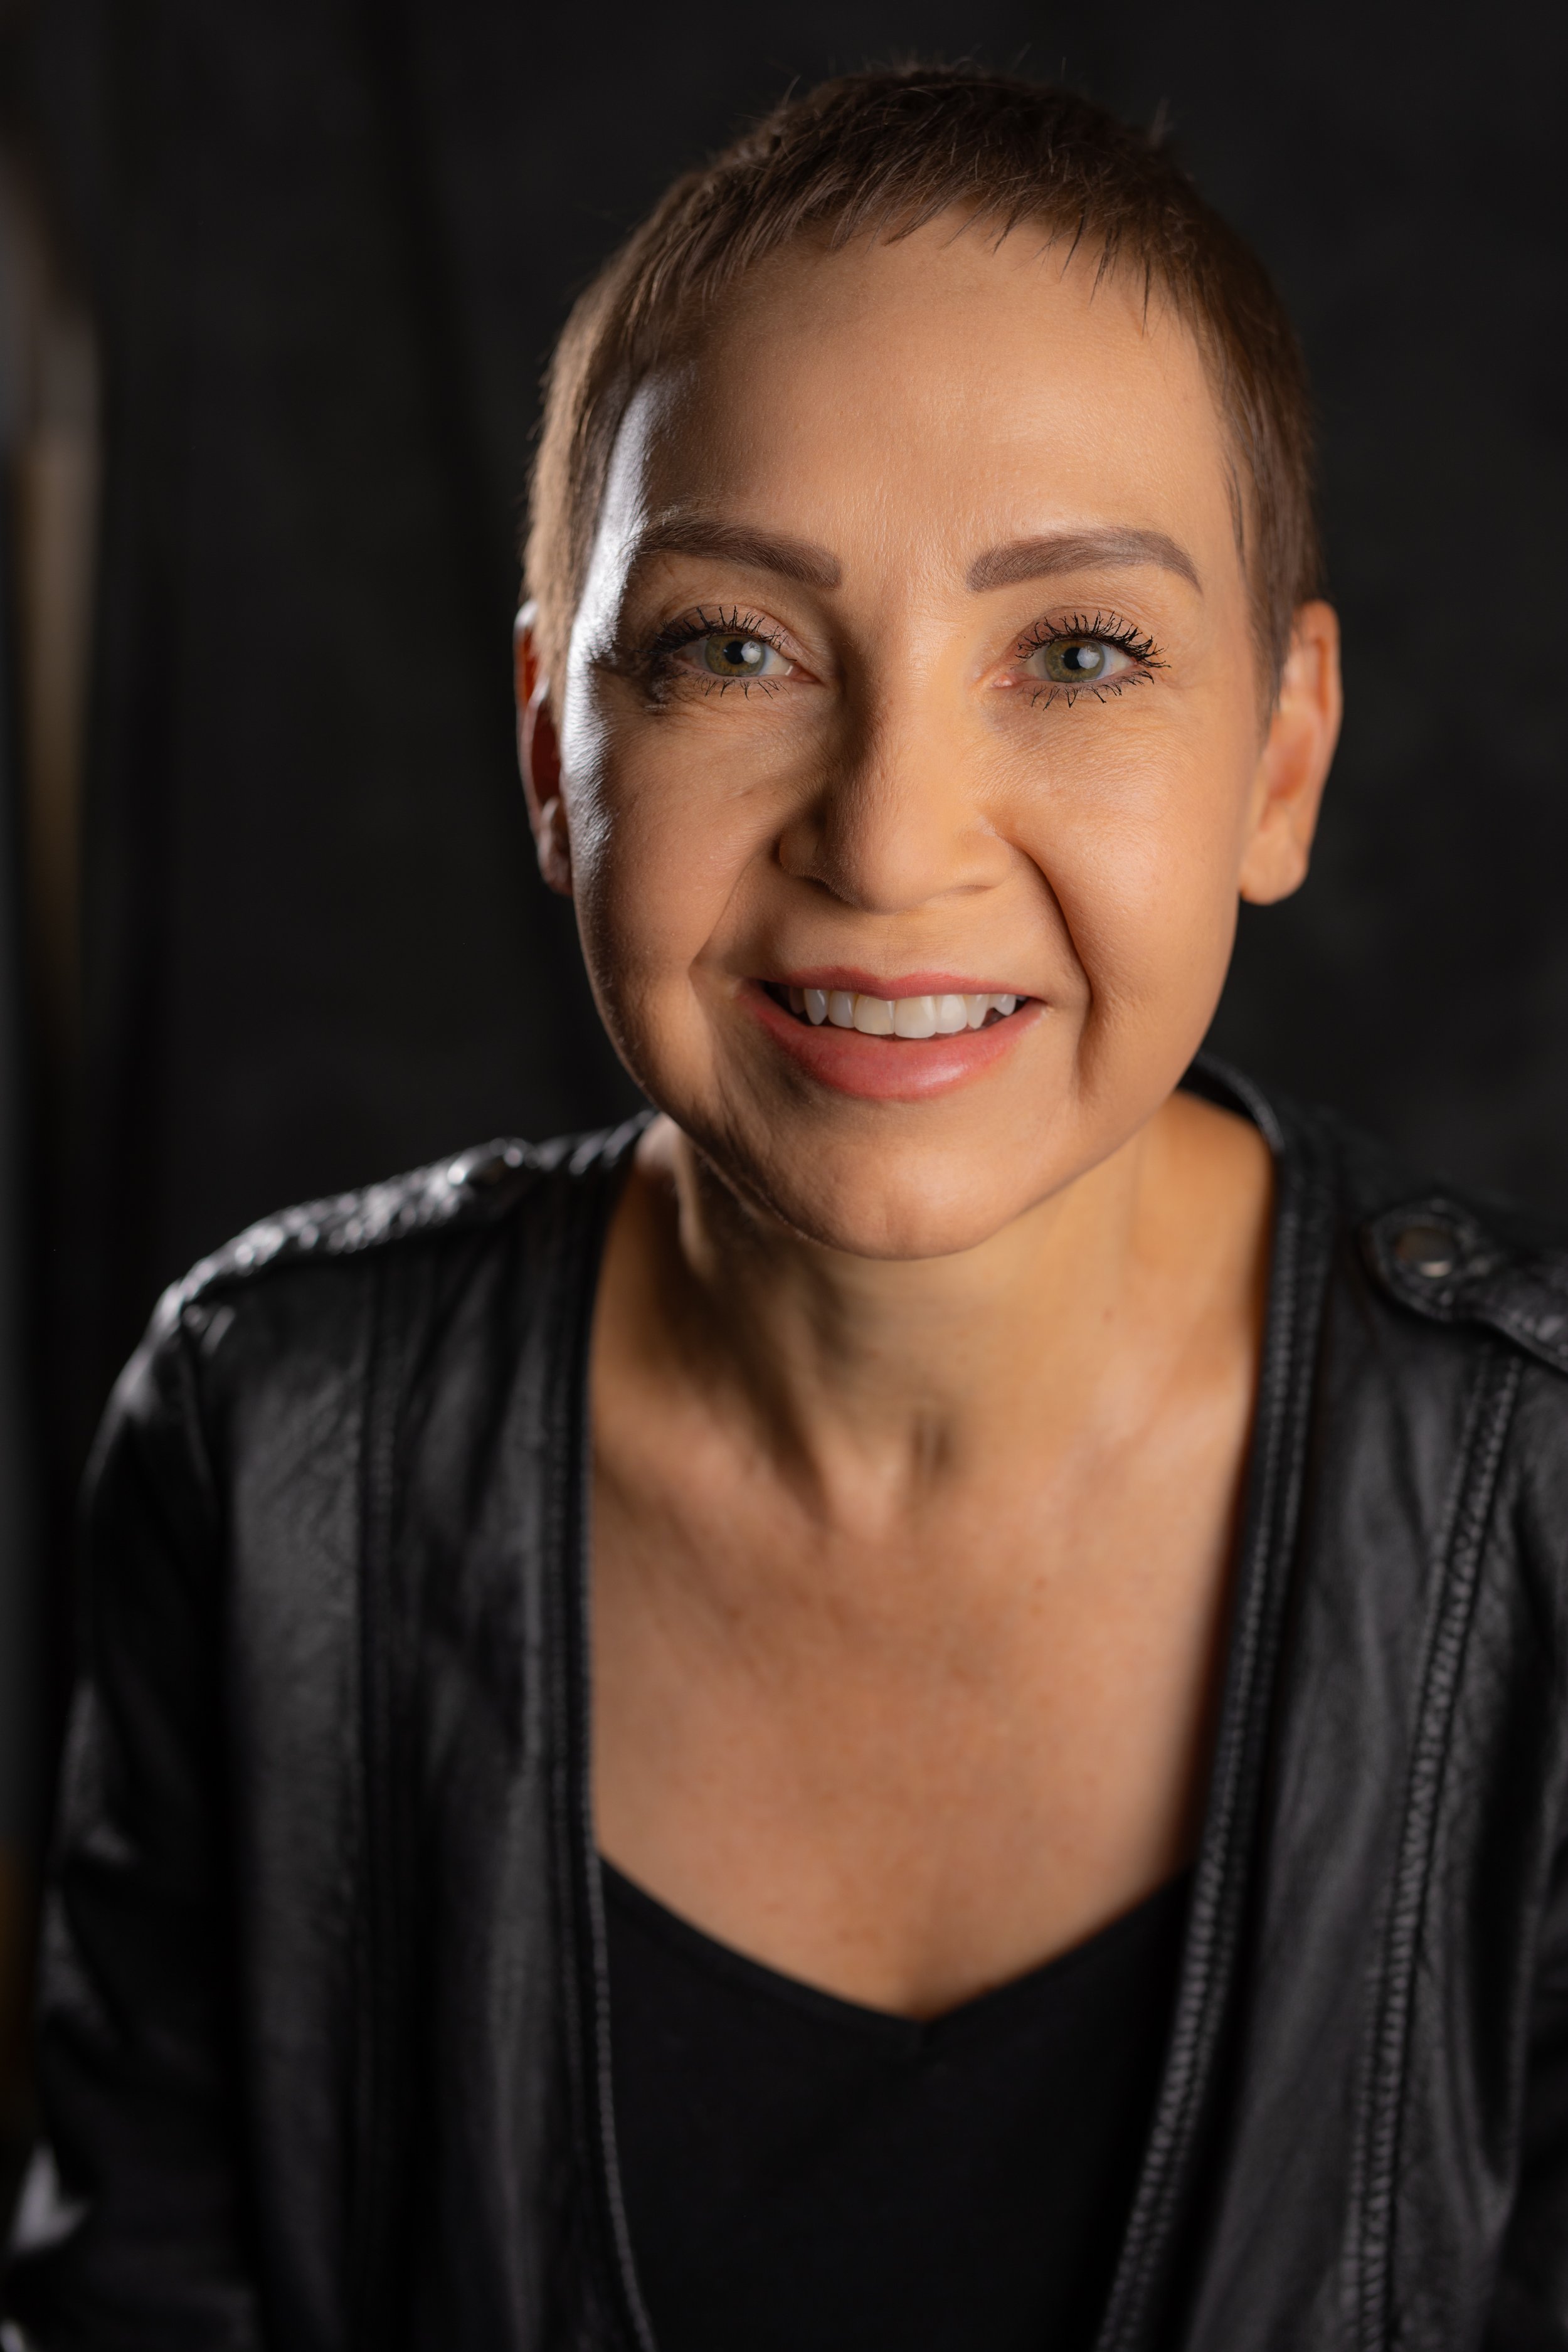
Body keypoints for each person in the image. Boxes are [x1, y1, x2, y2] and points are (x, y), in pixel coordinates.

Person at [6, 61, 1568, 2352]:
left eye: (1080, 652)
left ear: (1282, 757)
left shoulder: (1539, 1510)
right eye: (733, 645)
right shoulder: (269, 1452)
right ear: (555, 752)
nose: (887, 835)